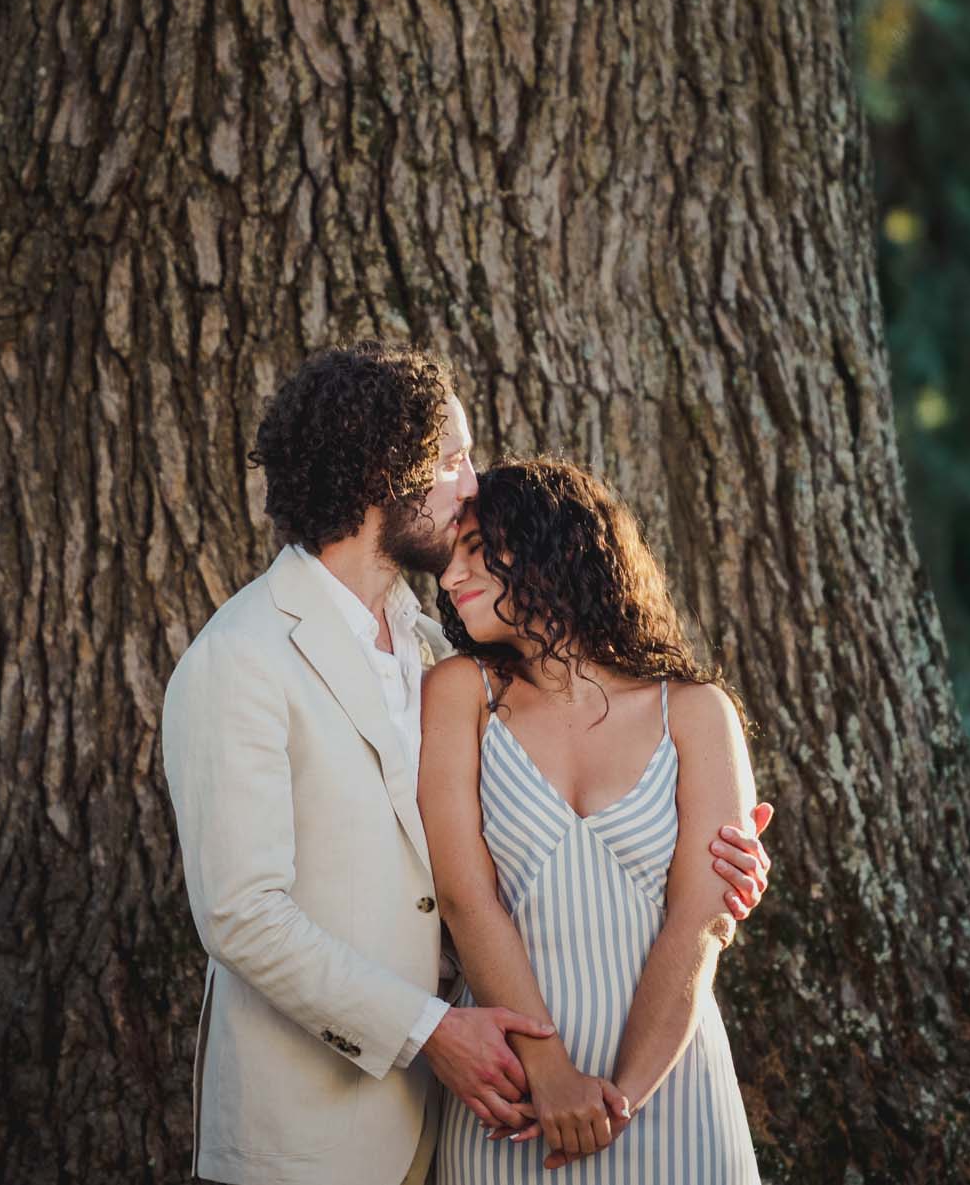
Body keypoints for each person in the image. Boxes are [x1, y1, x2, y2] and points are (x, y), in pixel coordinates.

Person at [161, 343, 775, 1185]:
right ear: (386, 473)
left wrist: (719, 870)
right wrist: (429, 1031)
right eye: (452, 459)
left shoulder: (423, 648)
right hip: (311, 1133)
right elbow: (240, 914)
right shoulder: (243, 654)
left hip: (450, 1115)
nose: (471, 483)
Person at [421, 456, 763, 1181]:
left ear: (556, 544)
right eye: (448, 559)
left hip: (674, 1093)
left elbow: (699, 920)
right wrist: (551, 1075)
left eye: (477, 549)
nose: (451, 577)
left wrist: (620, 1101)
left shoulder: (697, 712)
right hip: (512, 1102)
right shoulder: (461, 694)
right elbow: (464, 899)